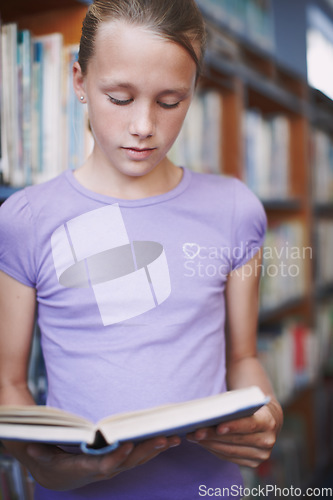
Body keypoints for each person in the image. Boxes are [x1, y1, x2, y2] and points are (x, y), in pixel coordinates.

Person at [0, 0, 283, 498]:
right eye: (119, 97)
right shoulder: (26, 220)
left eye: (170, 101)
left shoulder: (234, 209)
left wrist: (265, 410)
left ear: (193, 93)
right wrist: (43, 468)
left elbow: (242, 357)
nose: (144, 126)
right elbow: (11, 385)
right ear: (79, 82)